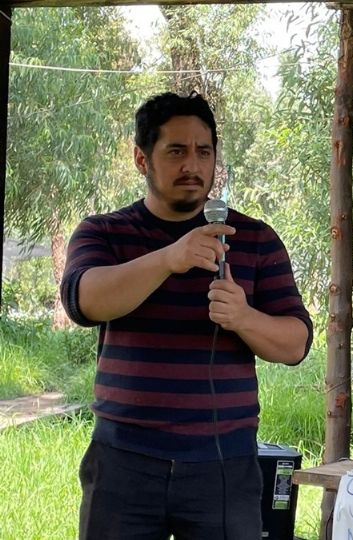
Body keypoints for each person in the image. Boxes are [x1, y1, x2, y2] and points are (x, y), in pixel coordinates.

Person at [59, 91, 313, 540]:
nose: (192, 166)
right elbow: (84, 301)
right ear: (142, 159)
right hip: (124, 462)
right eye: (176, 151)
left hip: (223, 464)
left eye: (204, 152)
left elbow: (295, 344)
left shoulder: (254, 238)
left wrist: (242, 317)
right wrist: (168, 258)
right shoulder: (105, 231)